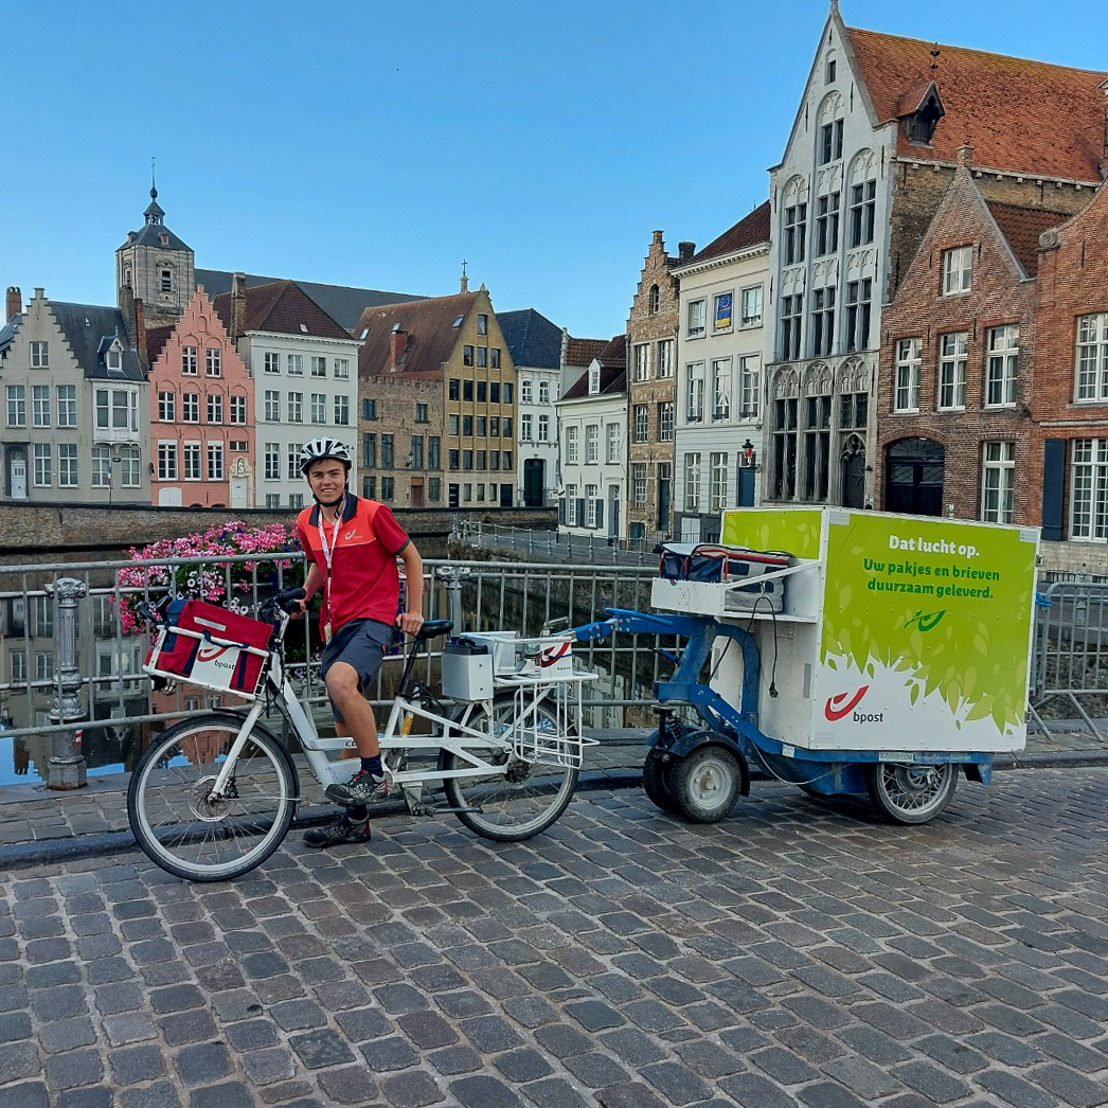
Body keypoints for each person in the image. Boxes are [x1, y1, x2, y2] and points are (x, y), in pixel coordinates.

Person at [293, 437, 424, 848]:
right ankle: (355, 820)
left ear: (346, 475)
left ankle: (374, 774)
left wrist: (413, 610)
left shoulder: (373, 514)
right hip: (335, 625)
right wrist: (304, 596)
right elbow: (319, 564)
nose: (327, 480)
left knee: (339, 683)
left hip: (374, 619)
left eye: (334, 473)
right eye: (318, 475)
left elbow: (412, 558)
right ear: (309, 481)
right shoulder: (306, 521)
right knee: (344, 727)